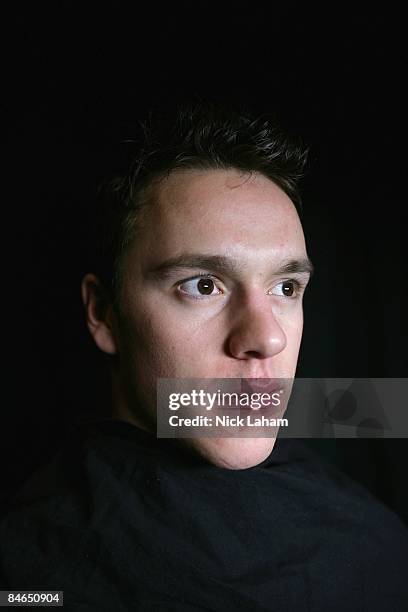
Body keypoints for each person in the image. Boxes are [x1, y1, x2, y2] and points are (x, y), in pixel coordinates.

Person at [1, 103, 407, 611]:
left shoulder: (376, 540)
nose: (267, 339)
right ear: (104, 313)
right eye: (203, 285)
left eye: (286, 286)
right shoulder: (29, 576)